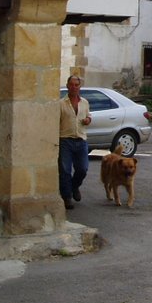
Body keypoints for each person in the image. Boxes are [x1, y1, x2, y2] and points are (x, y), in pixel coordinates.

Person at [59, 75, 92, 210]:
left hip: (81, 139)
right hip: (65, 139)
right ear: (67, 86)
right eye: (71, 84)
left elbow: (89, 115)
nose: (74, 87)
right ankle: (67, 197)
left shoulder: (84, 102)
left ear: (79, 87)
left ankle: (74, 186)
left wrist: (88, 120)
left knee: (82, 169)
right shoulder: (61, 103)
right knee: (65, 170)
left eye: (76, 85)